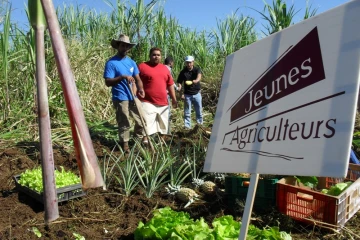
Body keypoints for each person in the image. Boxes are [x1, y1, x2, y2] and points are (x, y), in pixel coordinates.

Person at [103, 33, 147, 153]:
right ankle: (125, 144)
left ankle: (137, 141)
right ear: (118, 46)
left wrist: (141, 89)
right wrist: (122, 77)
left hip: (132, 95)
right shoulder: (111, 63)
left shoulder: (131, 62)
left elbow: (137, 79)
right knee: (124, 121)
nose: (125, 48)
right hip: (120, 97)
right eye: (123, 46)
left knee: (142, 119)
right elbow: (108, 82)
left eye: (127, 46)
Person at [138, 48, 178, 137]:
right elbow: (135, 81)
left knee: (163, 127)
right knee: (146, 125)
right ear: (150, 55)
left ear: (161, 57)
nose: (156, 57)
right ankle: (145, 143)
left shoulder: (165, 69)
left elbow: (170, 84)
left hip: (163, 102)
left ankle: (161, 145)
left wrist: (174, 99)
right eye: (154, 55)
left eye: (158, 55)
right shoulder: (142, 66)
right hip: (147, 101)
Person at [177, 55, 203, 129]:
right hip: (187, 95)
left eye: (190, 62)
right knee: (187, 112)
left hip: (197, 93)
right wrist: (180, 88)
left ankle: (200, 126)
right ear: (186, 63)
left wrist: (196, 80)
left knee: (199, 111)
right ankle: (187, 127)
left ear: (193, 62)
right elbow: (179, 82)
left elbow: (199, 76)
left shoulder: (197, 69)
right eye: (187, 63)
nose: (189, 64)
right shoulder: (183, 72)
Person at [164, 56, 178, 134]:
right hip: (166, 94)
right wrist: (177, 88)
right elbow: (171, 82)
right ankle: (167, 132)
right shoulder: (168, 69)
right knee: (167, 113)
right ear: (170, 63)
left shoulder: (161, 68)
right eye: (173, 63)